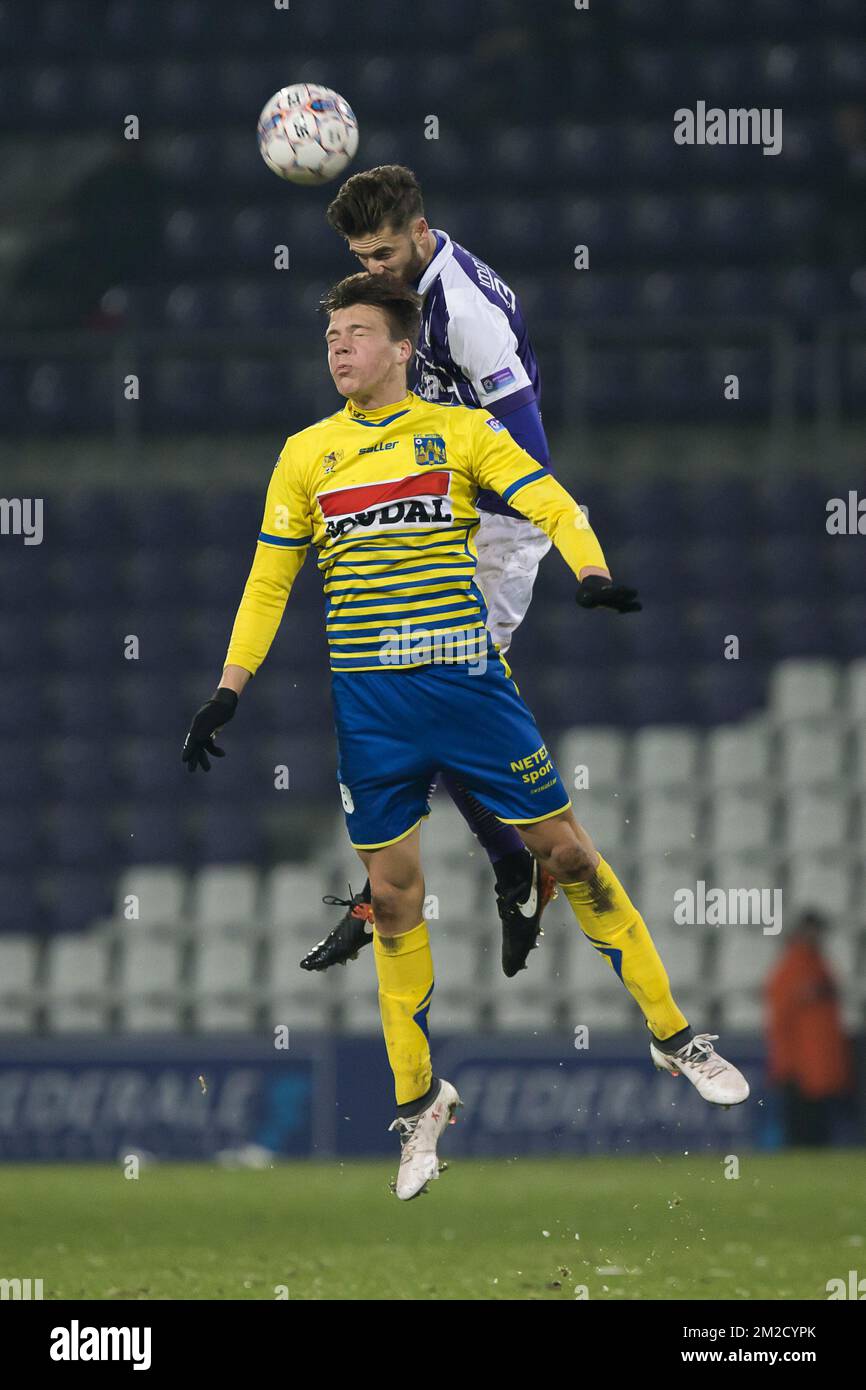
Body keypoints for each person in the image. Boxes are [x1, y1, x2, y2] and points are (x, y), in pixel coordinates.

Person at [182, 272, 749, 1199]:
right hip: (371, 710)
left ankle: (676, 1038)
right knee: (393, 900)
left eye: (357, 334)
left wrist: (592, 572)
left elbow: (557, 504)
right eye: (330, 336)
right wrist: (227, 689)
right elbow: (268, 580)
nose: (338, 349)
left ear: (403, 348)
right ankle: (420, 1109)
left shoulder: (461, 434)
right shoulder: (304, 456)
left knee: (569, 858)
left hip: (469, 686)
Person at [302, 165, 558, 978]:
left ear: (419, 234)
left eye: (381, 254)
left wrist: (443, 482)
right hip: (445, 518)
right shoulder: (409, 293)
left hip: (493, 533)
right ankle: (510, 868)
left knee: (425, 692)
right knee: (407, 691)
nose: (371, 271)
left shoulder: (468, 316)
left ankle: (490, 874)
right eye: (357, 256)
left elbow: (533, 458)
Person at [765, 909, 853, 1147]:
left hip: (818, 1059)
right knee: (802, 1125)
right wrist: (786, 1061)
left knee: (816, 1125)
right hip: (800, 1061)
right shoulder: (793, 967)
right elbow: (780, 1017)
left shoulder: (818, 964)